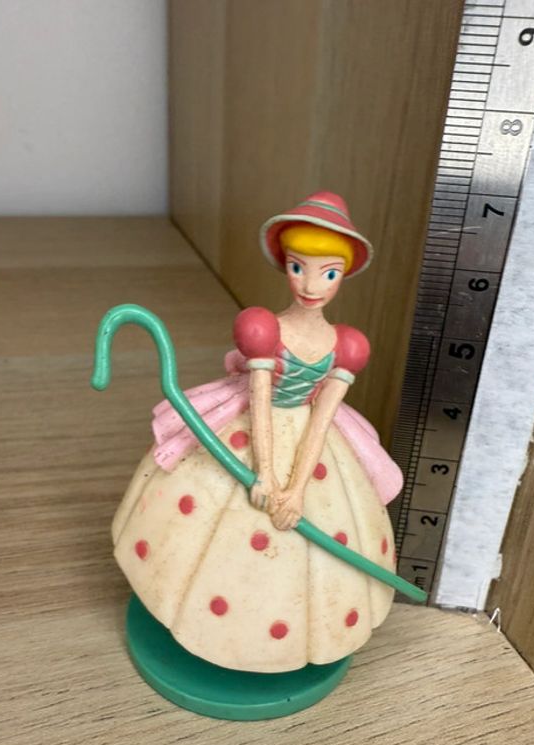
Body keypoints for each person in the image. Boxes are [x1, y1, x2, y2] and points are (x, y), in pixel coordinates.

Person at [112, 192, 403, 674]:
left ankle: (280, 637)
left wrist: (296, 490)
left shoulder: (347, 345)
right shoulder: (264, 327)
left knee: (316, 548)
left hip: (312, 444)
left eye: (328, 273)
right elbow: (261, 402)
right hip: (253, 429)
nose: (311, 285)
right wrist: (265, 475)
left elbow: (322, 419)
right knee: (202, 527)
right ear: (285, 266)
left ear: (344, 275)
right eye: (298, 267)